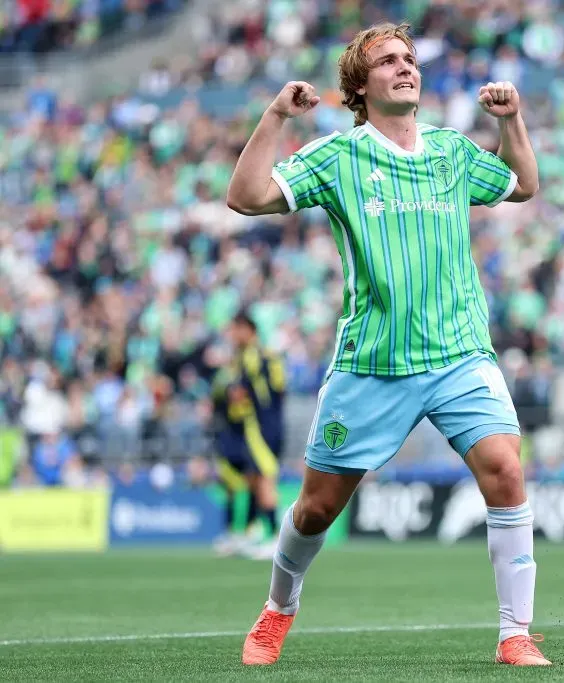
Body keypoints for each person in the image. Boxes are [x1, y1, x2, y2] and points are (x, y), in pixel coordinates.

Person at [225, 22, 546, 667]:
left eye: (411, 59)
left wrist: (513, 123)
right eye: (388, 61)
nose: (406, 68)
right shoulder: (338, 157)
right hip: (372, 365)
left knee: (507, 472)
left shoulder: (452, 151)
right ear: (359, 87)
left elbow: (524, 185)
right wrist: (275, 117)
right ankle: (277, 609)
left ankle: (516, 634)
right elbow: (245, 197)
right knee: (316, 511)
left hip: (459, 353)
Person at [211, 312, 285, 558]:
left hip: (262, 428)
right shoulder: (249, 356)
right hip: (256, 429)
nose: (233, 335)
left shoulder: (255, 356)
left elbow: (265, 394)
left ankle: (276, 538)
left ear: (249, 330)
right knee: (255, 479)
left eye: (236, 329)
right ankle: (253, 530)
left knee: (265, 479)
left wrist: (238, 395)